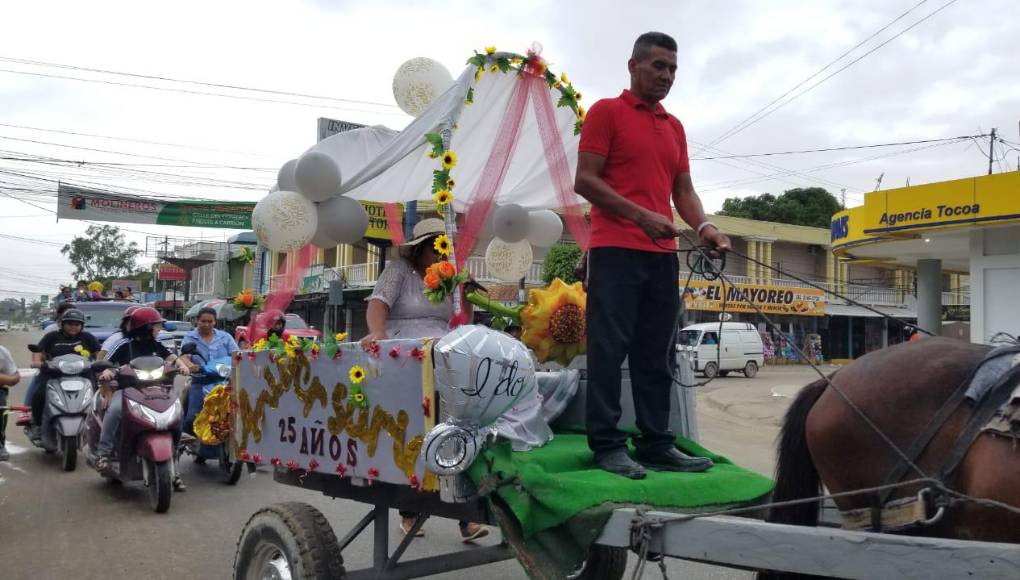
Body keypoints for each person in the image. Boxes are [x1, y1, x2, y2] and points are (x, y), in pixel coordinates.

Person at [574, 32, 731, 479]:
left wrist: (705, 227)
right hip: (614, 249)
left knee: (656, 352)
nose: (667, 76)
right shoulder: (606, 112)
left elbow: (683, 190)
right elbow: (585, 180)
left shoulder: (674, 126)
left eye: (673, 69)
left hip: (662, 254)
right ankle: (607, 445)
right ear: (633, 65)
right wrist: (642, 215)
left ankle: (656, 443)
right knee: (608, 350)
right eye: (659, 65)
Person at [360, 218, 487, 542]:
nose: (441, 254)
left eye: (445, 249)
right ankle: (409, 511)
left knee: (456, 429)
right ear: (418, 249)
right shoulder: (399, 271)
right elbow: (378, 305)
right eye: (435, 247)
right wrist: (378, 333)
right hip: (406, 356)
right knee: (413, 430)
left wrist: (466, 293)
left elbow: (461, 320)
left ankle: (467, 517)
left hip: (443, 355)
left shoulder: (448, 277)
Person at [96, 307, 190, 490]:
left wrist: (182, 366)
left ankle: (175, 464)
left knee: (176, 411)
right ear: (145, 327)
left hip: (158, 389)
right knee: (114, 411)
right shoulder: (124, 344)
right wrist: (107, 372)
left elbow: (173, 358)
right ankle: (104, 454)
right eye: (156, 326)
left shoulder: (157, 344)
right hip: (127, 389)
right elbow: (107, 362)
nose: (159, 329)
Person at [27, 308, 101, 438]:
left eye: (77, 324)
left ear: (82, 325)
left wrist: (100, 364)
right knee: (39, 393)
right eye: (70, 323)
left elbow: (99, 353)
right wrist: (37, 362)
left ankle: (97, 425)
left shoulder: (87, 337)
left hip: (83, 373)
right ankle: (37, 424)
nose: (73, 327)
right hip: (54, 373)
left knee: (97, 395)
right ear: (63, 324)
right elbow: (38, 351)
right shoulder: (52, 336)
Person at [180, 307, 239, 448]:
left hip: (224, 383)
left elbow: (237, 356)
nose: (206, 324)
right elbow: (184, 357)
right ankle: (189, 442)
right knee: (192, 416)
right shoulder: (190, 337)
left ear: (215, 322)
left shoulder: (225, 337)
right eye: (203, 321)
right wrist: (191, 366)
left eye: (210, 321)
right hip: (200, 381)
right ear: (197, 321)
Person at [0, 344, 20, 461]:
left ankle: (0, 444)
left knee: (1, 405)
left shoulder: (2, 351)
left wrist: (9, 379)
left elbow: (14, 376)